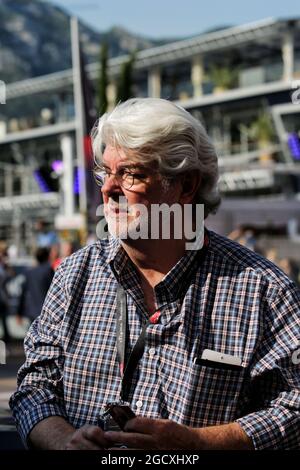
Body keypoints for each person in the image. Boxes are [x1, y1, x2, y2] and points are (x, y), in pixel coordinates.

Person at [10, 98, 299, 450]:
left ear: (186, 185)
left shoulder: (262, 290)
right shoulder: (75, 275)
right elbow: (35, 386)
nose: (109, 188)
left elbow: (293, 407)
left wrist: (200, 444)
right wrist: (63, 440)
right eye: (105, 172)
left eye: (132, 173)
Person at [18, 247, 54, 322]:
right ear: (47, 257)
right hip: (45, 311)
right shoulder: (48, 271)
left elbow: (23, 292)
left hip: (31, 311)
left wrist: (19, 312)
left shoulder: (30, 273)